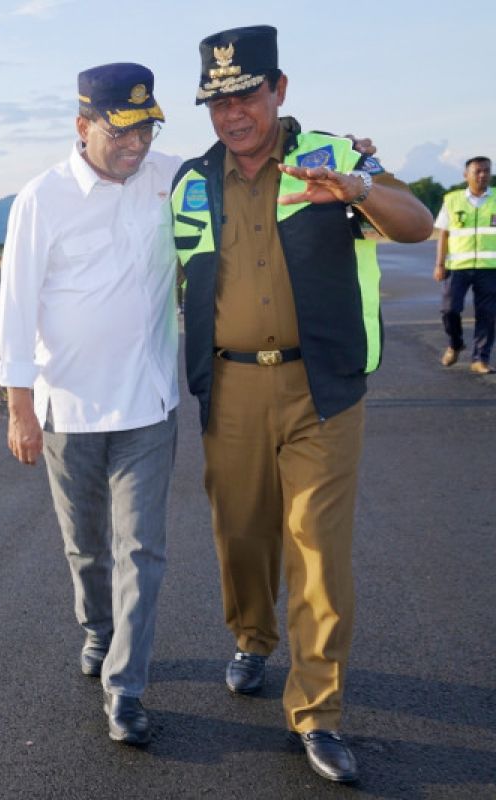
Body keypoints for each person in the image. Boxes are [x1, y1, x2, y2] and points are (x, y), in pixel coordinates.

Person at [171, 25, 433, 784]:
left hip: (322, 388)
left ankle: (316, 711)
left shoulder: (336, 156)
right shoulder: (192, 180)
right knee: (242, 535)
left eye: (246, 95)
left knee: (317, 550)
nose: (233, 115)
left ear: (278, 89)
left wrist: (356, 188)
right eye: (218, 102)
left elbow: (415, 226)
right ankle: (252, 638)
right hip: (230, 389)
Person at [0, 63, 181, 747]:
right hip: (67, 408)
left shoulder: (172, 176)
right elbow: (14, 313)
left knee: (144, 549)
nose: (137, 144)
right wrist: (20, 411)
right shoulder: (40, 199)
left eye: (147, 128)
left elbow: (251, 158)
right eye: (122, 130)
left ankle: (126, 688)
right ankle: (99, 630)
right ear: (83, 125)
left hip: (148, 403)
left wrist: (349, 158)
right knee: (85, 546)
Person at [434, 156, 495, 374]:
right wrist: (439, 264)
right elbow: (444, 234)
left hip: (490, 268)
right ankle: (455, 343)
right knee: (449, 310)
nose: (482, 175)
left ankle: (480, 359)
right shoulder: (452, 200)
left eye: (486, 171)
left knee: (487, 314)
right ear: (466, 175)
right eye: (477, 171)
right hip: (458, 267)